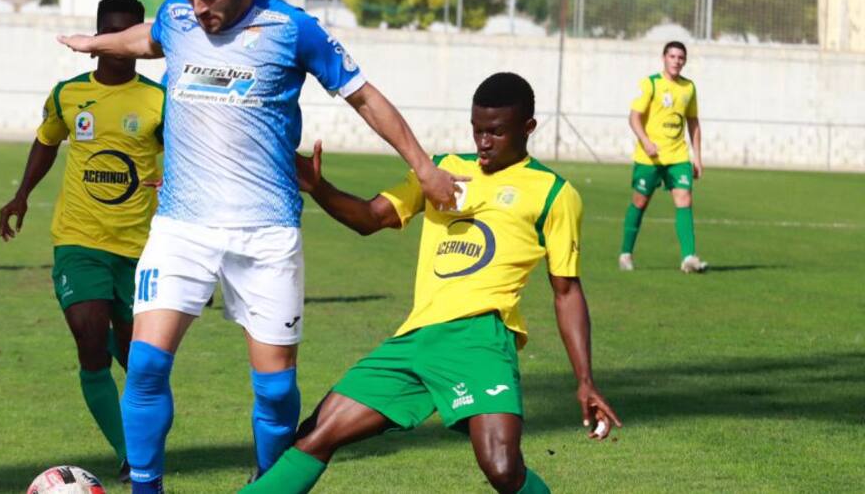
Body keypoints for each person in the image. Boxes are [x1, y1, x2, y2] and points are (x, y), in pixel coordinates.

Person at [58, 0, 461, 493]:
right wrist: (93, 43)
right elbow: (148, 37)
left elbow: (364, 96)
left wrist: (424, 167)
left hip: (266, 233)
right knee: (145, 367)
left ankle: (269, 485)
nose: (198, 8)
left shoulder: (291, 28)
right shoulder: (178, 17)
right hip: (182, 228)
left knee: (273, 391)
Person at [243, 72, 621, 494]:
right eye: (477, 130)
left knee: (502, 467)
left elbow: (566, 291)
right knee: (318, 433)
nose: (483, 142)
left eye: (496, 132)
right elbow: (371, 218)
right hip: (416, 339)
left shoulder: (554, 193)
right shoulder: (441, 169)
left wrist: (585, 379)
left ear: (527, 128)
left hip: (479, 339)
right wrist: (319, 188)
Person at [0, 0, 164, 482]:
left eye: (127, 34)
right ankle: (130, 454)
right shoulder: (68, 94)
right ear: (94, 40)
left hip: (139, 249)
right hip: (79, 242)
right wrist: (21, 194)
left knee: (141, 367)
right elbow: (46, 140)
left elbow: (180, 159)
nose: (117, 45)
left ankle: (123, 350)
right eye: (108, 34)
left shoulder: (158, 101)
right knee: (90, 343)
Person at [619, 41, 707, 274]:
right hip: (650, 158)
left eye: (681, 57)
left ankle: (689, 257)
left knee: (685, 199)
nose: (677, 61)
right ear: (664, 58)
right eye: (672, 56)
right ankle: (626, 253)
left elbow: (693, 122)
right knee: (640, 202)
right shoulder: (651, 84)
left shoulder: (688, 88)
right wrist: (645, 141)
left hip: (678, 156)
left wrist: (697, 157)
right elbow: (634, 117)